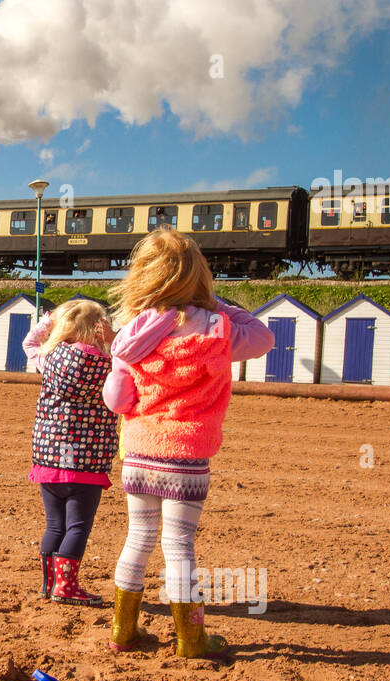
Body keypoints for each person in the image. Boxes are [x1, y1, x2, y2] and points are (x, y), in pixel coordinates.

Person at [102, 228, 274, 657]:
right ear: (200, 278)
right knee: (179, 547)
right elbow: (264, 337)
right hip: (187, 455)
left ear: (143, 277)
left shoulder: (131, 334)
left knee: (137, 538)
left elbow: (117, 399)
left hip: (140, 452)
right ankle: (191, 640)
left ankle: (123, 631)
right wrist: (218, 305)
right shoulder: (217, 328)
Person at [22, 298, 119, 606]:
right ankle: (66, 587)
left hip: (49, 459)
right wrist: (114, 341)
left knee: (54, 525)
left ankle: (49, 584)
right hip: (86, 463)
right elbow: (134, 363)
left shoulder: (49, 357)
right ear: (98, 329)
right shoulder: (110, 364)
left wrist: (49, 322)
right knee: (77, 526)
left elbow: (29, 342)